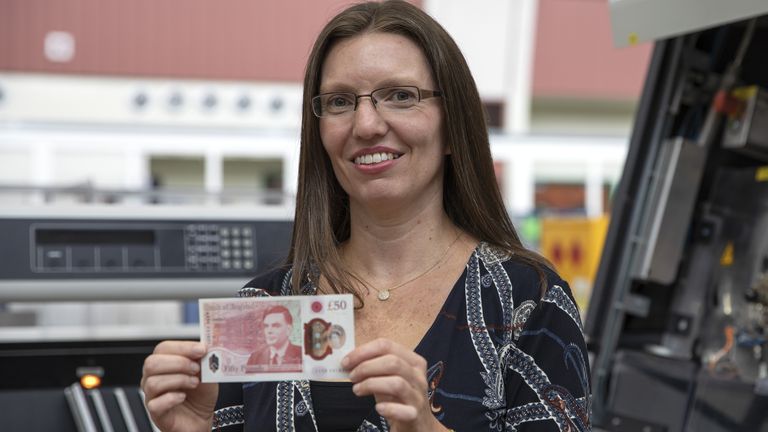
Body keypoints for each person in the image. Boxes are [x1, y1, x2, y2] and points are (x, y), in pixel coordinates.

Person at [140, 1, 591, 431]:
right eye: (339, 101)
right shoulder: (263, 306)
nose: (367, 124)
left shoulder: (527, 303)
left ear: (453, 126)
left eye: (399, 95)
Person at [245, 305, 302, 370]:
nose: (269, 331)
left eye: (276, 326)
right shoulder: (254, 358)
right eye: (266, 326)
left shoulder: (301, 354)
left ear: (288, 330)